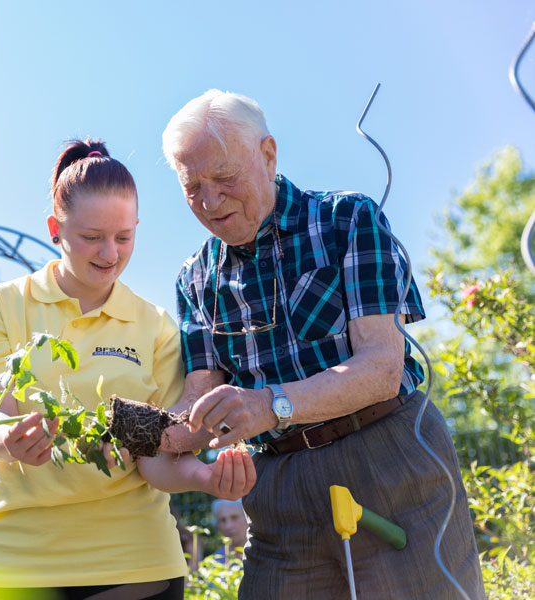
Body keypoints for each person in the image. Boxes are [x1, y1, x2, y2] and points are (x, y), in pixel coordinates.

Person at [157, 90, 486, 599]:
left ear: (268, 155)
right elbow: (197, 404)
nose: (210, 200)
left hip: (389, 462)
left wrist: (270, 404)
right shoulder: (196, 278)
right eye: (191, 186)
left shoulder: (347, 221)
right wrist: (126, 432)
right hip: (279, 490)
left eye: (224, 178)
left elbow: (380, 368)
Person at [0, 138, 256, 600]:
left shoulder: (156, 327)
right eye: (92, 237)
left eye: (123, 237)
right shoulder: (3, 305)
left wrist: (206, 478)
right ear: (55, 229)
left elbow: (158, 458)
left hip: (131, 561)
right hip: (2, 556)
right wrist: (9, 438)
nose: (110, 253)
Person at [209, 498, 248, 563]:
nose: (228, 526)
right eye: (222, 520)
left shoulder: (266, 554)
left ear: (248, 519)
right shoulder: (214, 563)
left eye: (234, 517)